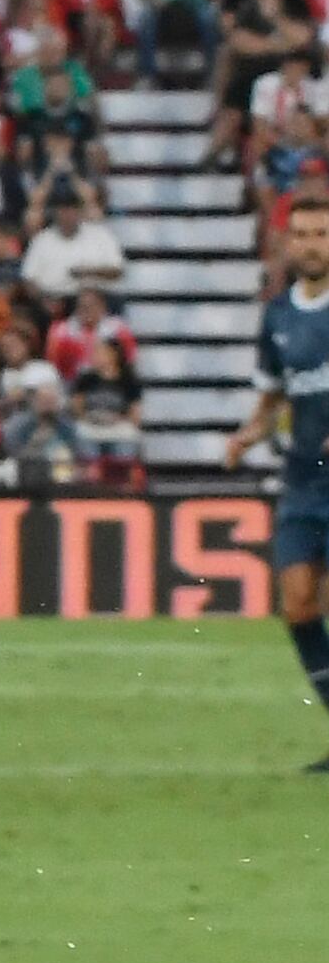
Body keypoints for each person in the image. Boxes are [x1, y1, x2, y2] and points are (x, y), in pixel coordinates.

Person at [222, 202, 329, 771]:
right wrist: (245, 436)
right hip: (302, 482)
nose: (312, 244)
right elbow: (272, 401)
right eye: (304, 234)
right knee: (298, 605)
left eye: (322, 234)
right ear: (288, 243)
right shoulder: (278, 317)